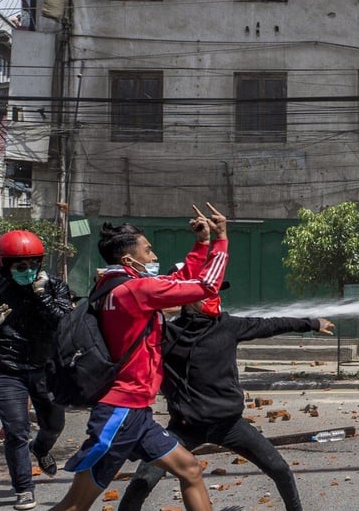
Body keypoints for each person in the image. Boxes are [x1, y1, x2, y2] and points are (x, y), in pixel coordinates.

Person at [50, 203, 230, 511]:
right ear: (128, 259)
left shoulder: (113, 286)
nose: (154, 257)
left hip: (135, 412)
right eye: (148, 251)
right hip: (120, 413)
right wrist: (221, 239)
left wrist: (201, 244)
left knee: (189, 469)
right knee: (75, 506)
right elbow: (205, 286)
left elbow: (177, 282)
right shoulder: (135, 290)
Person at [118, 275, 335, 511]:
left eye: (216, 292)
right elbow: (127, 319)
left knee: (280, 469)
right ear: (188, 298)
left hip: (229, 425)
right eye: (207, 292)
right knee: (143, 481)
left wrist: (312, 324)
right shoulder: (165, 333)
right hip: (183, 428)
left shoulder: (228, 325)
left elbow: (272, 324)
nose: (215, 297)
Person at [0, 231, 73, 511]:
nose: (27, 270)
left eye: (33, 263)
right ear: (4, 264)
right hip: (7, 371)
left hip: (47, 369)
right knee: (16, 432)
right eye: (20, 265)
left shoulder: (54, 286)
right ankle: (23, 488)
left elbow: (65, 322)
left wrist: (42, 295)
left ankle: (41, 448)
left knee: (54, 425)